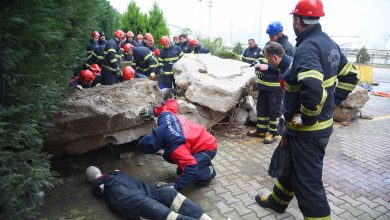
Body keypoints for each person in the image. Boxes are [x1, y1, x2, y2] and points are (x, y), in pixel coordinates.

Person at [255, 0, 359, 219]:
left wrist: (307, 118)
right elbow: (351, 75)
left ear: (297, 21)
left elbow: (312, 89)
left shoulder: (308, 47)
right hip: (307, 126)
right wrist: (332, 101)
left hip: (307, 130)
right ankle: (278, 201)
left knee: (308, 185)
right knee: (289, 164)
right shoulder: (328, 44)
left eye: (294, 18)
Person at [138, 99, 218, 192]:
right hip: (198, 140)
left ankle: (208, 173)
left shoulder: (176, 147)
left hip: (208, 148)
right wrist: (155, 111)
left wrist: (175, 187)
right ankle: (201, 163)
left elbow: (191, 166)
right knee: (169, 156)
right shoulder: (164, 117)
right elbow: (171, 102)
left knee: (188, 170)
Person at [86, 166, 213, 220]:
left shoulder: (99, 185)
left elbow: (98, 191)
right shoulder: (113, 174)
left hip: (130, 193)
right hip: (134, 191)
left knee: (166, 200)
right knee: (165, 202)